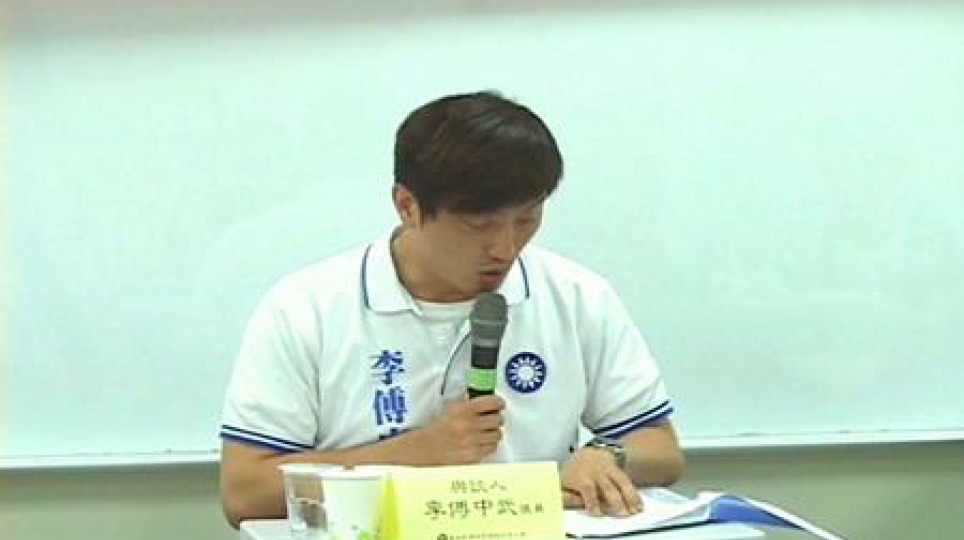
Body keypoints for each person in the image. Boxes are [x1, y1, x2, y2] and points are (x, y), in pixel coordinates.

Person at [219, 91, 685, 528]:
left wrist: (608, 454)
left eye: (526, 218)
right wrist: (418, 453)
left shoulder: (577, 295)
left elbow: (660, 446)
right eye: (479, 225)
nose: (506, 248)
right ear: (408, 206)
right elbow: (245, 492)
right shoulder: (306, 309)